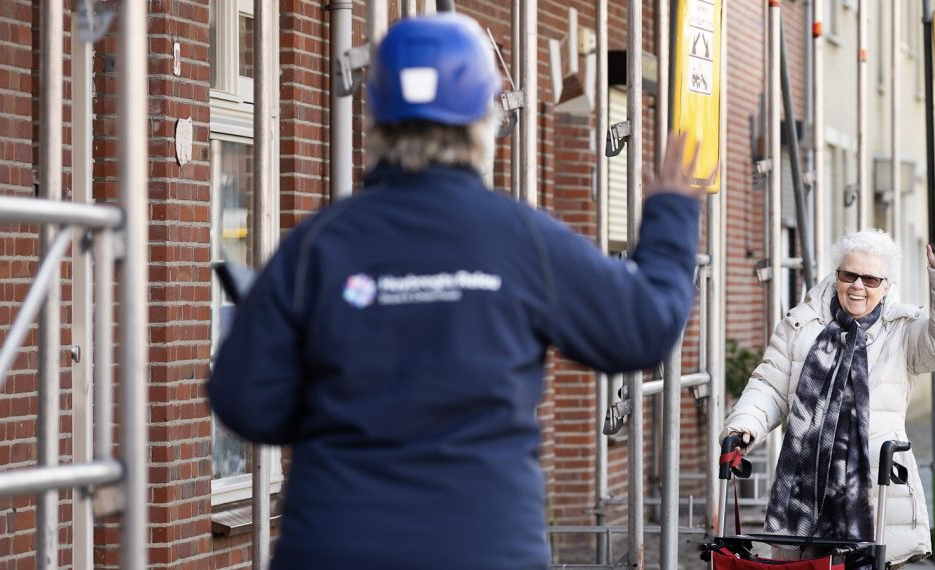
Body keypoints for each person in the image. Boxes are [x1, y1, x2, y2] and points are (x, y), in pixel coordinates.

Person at [206, 13, 706, 569]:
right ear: (485, 117)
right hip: (485, 546)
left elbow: (242, 399)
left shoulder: (319, 246)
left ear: (376, 118)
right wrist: (671, 215)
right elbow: (646, 327)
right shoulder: (523, 242)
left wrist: (337, 418)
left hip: (338, 543)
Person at [724, 229, 935, 567]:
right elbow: (769, 384)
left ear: (885, 286)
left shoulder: (900, 331)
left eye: (870, 279)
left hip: (874, 494)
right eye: (849, 275)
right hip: (803, 497)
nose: (858, 286)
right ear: (836, 275)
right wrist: (744, 426)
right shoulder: (801, 325)